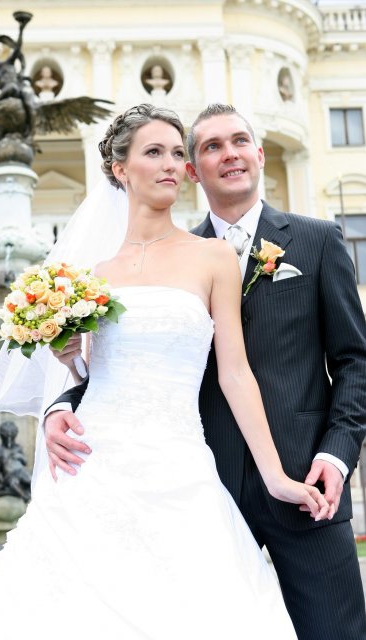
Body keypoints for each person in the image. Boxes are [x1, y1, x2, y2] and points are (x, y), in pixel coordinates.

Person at [0, 104, 329, 639]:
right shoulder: (91, 275)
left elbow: (235, 374)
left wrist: (277, 477)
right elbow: (92, 374)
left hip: (179, 465)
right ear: (120, 168)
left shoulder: (213, 257)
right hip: (90, 465)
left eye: (177, 153)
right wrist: (68, 362)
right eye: (154, 152)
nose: (172, 164)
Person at [45, 103, 366, 640]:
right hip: (199, 484)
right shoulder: (154, 259)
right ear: (194, 170)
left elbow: (355, 361)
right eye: (212, 146)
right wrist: (61, 404)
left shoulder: (317, 240)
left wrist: (335, 454)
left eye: (239, 141)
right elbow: (127, 365)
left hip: (303, 479)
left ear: (258, 153)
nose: (230, 154)